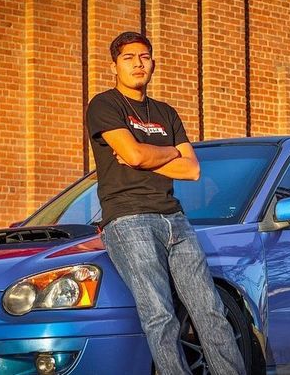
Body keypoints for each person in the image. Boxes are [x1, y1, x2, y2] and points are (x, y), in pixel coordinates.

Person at [86, 31, 246, 375]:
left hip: (175, 219)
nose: (138, 64)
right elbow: (133, 155)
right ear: (114, 66)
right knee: (159, 315)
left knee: (210, 310)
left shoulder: (166, 113)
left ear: (153, 63)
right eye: (128, 58)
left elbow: (191, 169)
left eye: (144, 57)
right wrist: (165, 153)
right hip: (129, 220)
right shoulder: (104, 105)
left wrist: (152, 154)